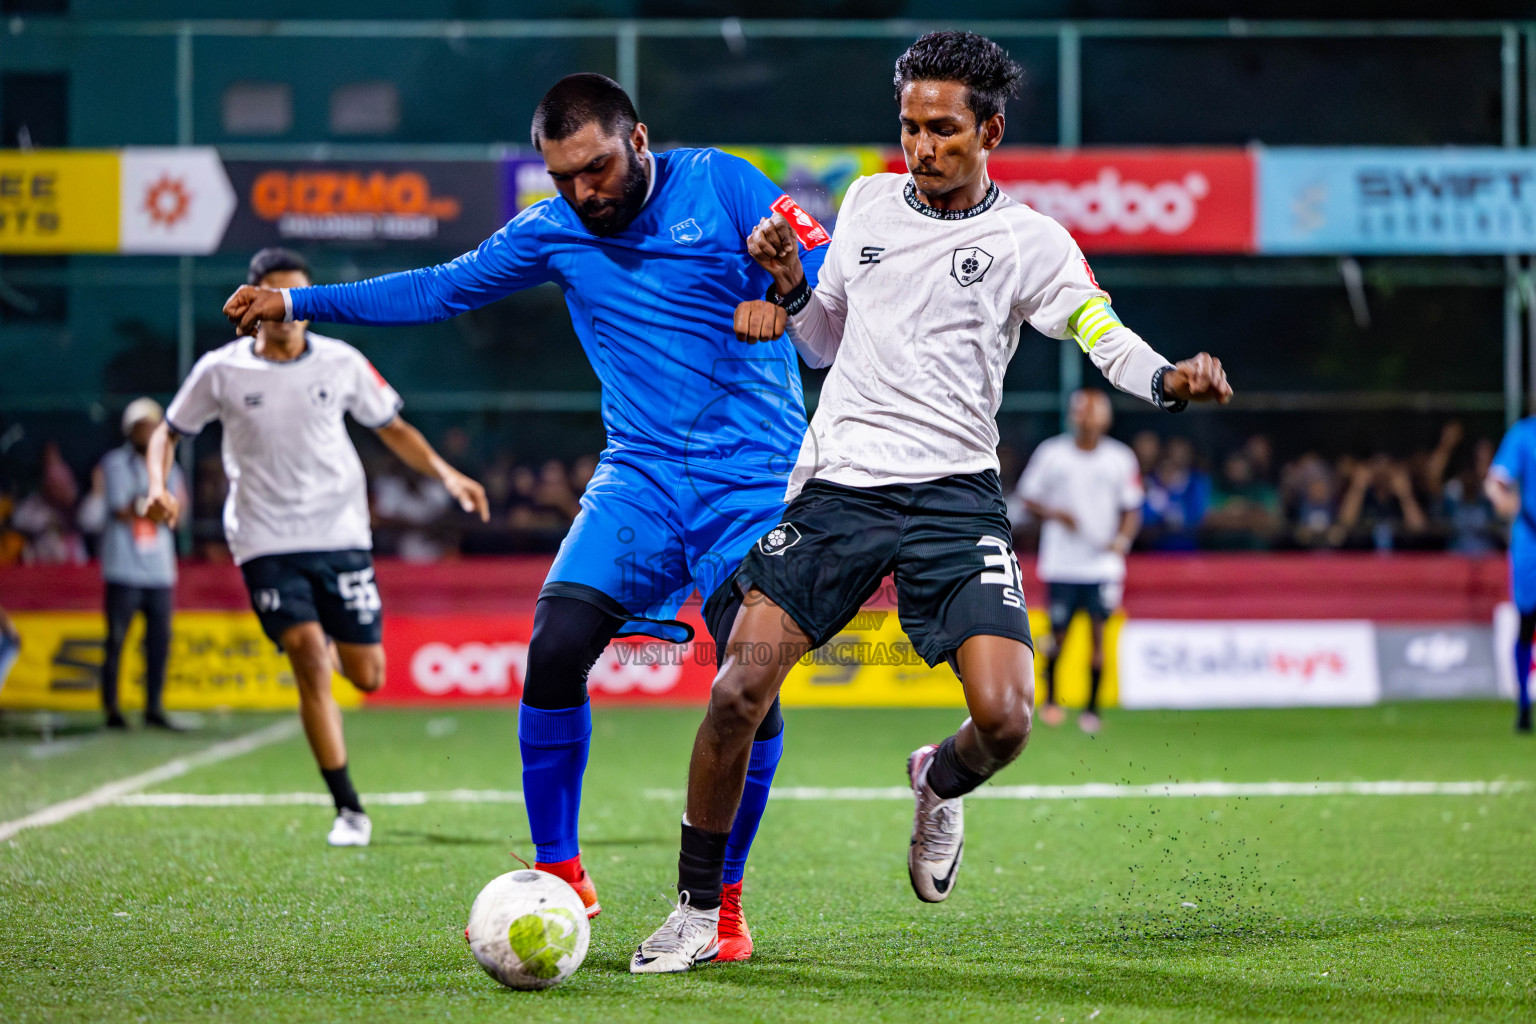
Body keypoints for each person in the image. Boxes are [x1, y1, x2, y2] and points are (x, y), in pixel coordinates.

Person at [629, 30, 1232, 973]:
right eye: (909, 126)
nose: (922, 146)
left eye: (944, 129)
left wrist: (1166, 380)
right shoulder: (866, 202)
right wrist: (790, 284)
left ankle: (938, 780)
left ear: (989, 130)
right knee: (739, 685)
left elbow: (1098, 333)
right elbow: (822, 341)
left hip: (956, 496)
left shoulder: (1030, 241)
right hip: (840, 490)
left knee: (1006, 722)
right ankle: (697, 911)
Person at [218, 74, 829, 957]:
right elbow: (436, 288)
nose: (585, 192)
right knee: (552, 646)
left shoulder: (727, 183)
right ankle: (560, 871)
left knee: (750, 688)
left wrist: (786, 291)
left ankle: (721, 907)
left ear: (640, 141)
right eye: (564, 177)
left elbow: (834, 265)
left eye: (598, 168)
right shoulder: (554, 231)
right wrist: (296, 302)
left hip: (754, 485)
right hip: (642, 482)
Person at [144, 247, 490, 846]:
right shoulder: (220, 371)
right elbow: (167, 433)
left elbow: (394, 429)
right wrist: (157, 485)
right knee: (306, 653)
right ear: (253, 302)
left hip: (340, 533)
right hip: (263, 537)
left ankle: (328, 638)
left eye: (298, 299)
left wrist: (446, 473)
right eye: (276, 299)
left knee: (368, 674)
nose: (288, 311)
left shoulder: (342, 362)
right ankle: (349, 809)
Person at [1013, 389, 1141, 734]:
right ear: (1073, 416)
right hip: (1062, 562)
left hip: (1101, 563)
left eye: (1094, 412)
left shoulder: (1120, 458)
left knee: (1099, 635)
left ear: (1106, 418)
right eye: (1082, 412)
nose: (1087, 419)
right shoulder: (1053, 453)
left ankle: (1092, 708)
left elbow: (1132, 507)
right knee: (1059, 634)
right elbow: (1027, 496)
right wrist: (1056, 513)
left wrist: (1121, 541)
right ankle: (1052, 700)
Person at [96, 398, 187, 730]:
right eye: (142, 426)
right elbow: (122, 508)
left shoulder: (169, 466)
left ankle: (154, 706)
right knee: (117, 640)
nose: (148, 432)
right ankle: (112, 708)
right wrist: (152, 505)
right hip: (123, 568)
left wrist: (155, 507)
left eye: (153, 425)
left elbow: (174, 512)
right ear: (129, 429)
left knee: (159, 642)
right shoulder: (115, 464)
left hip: (160, 570)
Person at [1484, 417, 1536, 733]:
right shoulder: (1524, 434)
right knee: (1527, 620)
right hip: (1530, 543)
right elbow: (1496, 480)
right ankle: (1523, 703)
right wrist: (1502, 498)